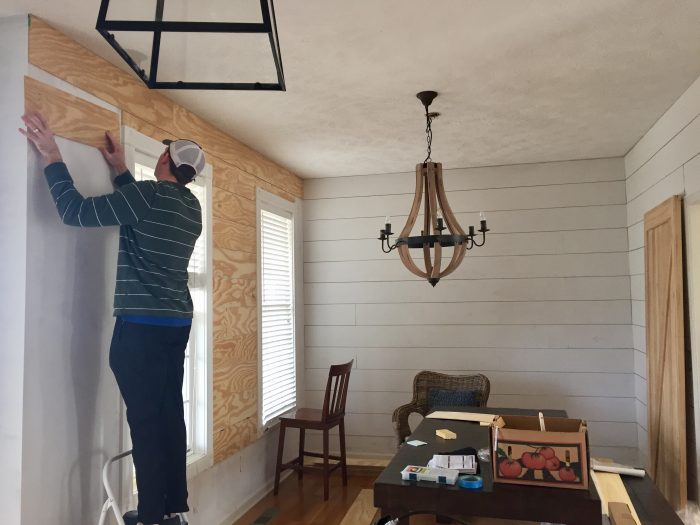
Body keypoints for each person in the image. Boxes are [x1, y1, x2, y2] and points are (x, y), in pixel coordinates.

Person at [19, 112, 205, 525]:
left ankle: (153, 516)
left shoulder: (148, 196)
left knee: (143, 418)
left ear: (164, 160)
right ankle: (172, 503)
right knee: (168, 412)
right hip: (176, 323)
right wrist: (120, 169)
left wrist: (51, 154)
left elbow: (74, 212)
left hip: (140, 328)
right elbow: (143, 213)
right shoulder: (192, 208)